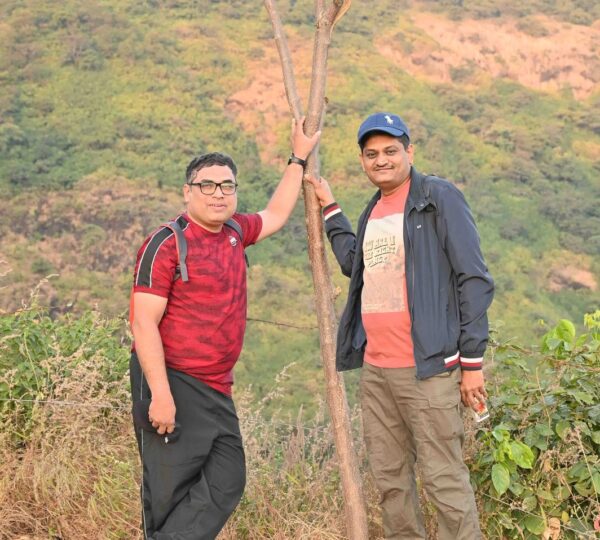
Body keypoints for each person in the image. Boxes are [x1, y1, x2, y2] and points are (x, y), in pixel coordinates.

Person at [129, 119, 320, 540]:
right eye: (208, 185)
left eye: (227, 185)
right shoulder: (166, 243)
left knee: (227, 479)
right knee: (168, 492)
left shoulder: (235, 231)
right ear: (188, 192)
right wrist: (160, 394)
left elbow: (276, 214)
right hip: (172, 378)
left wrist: (298, 157)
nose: (218, 193)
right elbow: (143, 323)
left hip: (217, 387)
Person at [307, 112, 494, 539]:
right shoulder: (374, 210)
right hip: (377, 371)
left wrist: (472, 362)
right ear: (362, 161)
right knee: (391, 482)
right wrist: (332, 211)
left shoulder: (438, 198)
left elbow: (474, 279)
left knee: (443, 480)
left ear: (409, 152)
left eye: (391, 151)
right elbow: (357, 266)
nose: (382, 160)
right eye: (371, 154)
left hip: (427, 368)